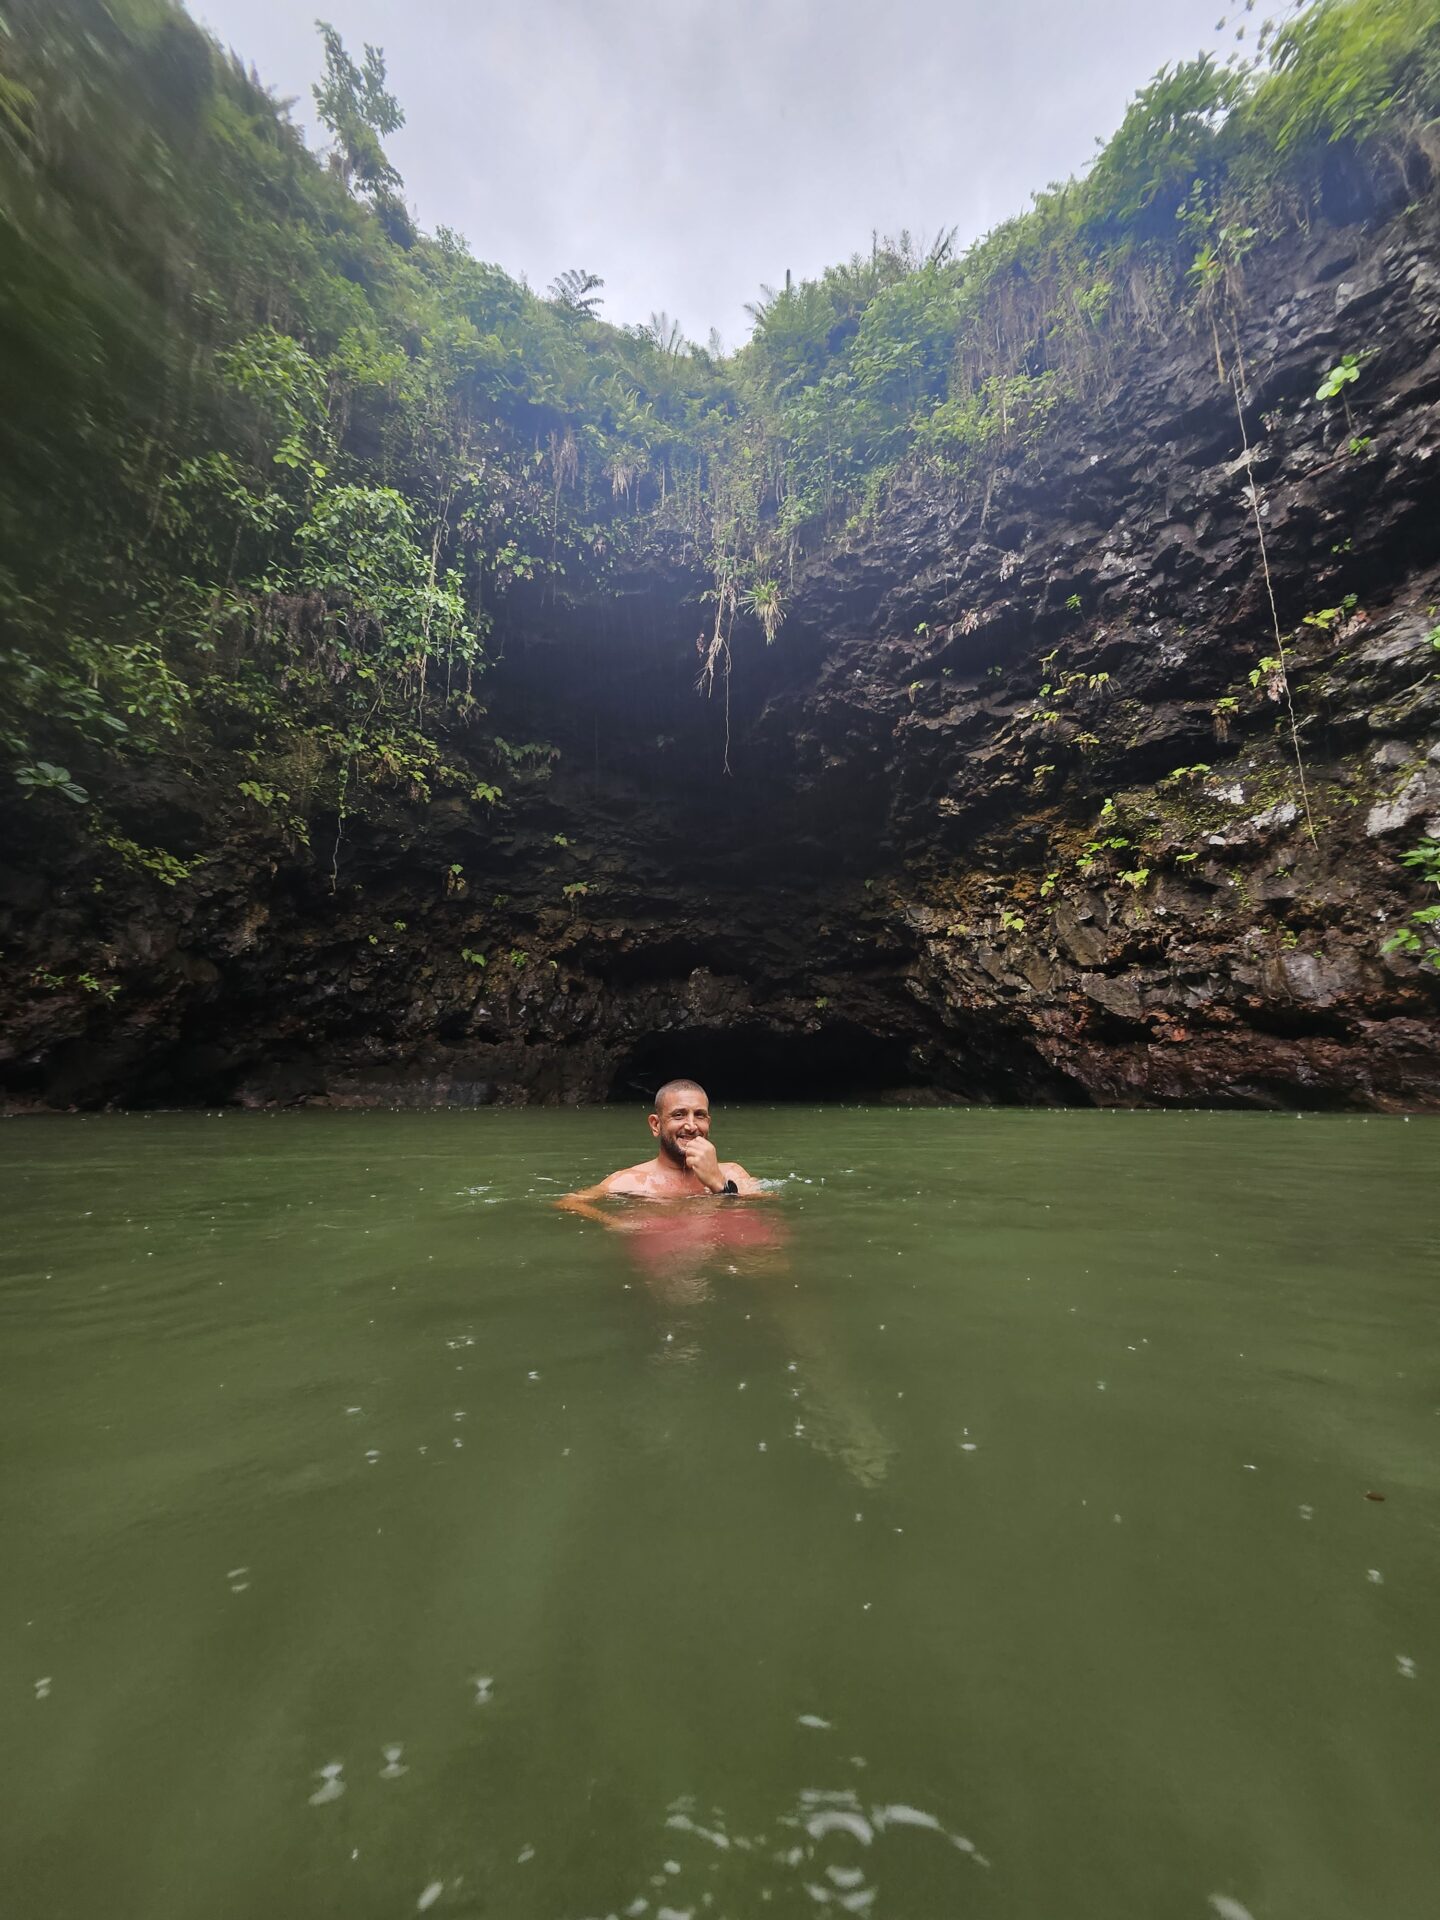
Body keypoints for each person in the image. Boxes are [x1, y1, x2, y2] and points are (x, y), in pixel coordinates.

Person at [555, 1079, 766, 1214]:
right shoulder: (631, 1180)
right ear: (656, 1125)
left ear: (708, 1123)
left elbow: (761, 1211)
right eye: (679, 1115)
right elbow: (570, 1203)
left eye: (699, 1115)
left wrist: (720, 1185)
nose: (691, 1126)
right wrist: (617, 1224)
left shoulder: (732, 1173)